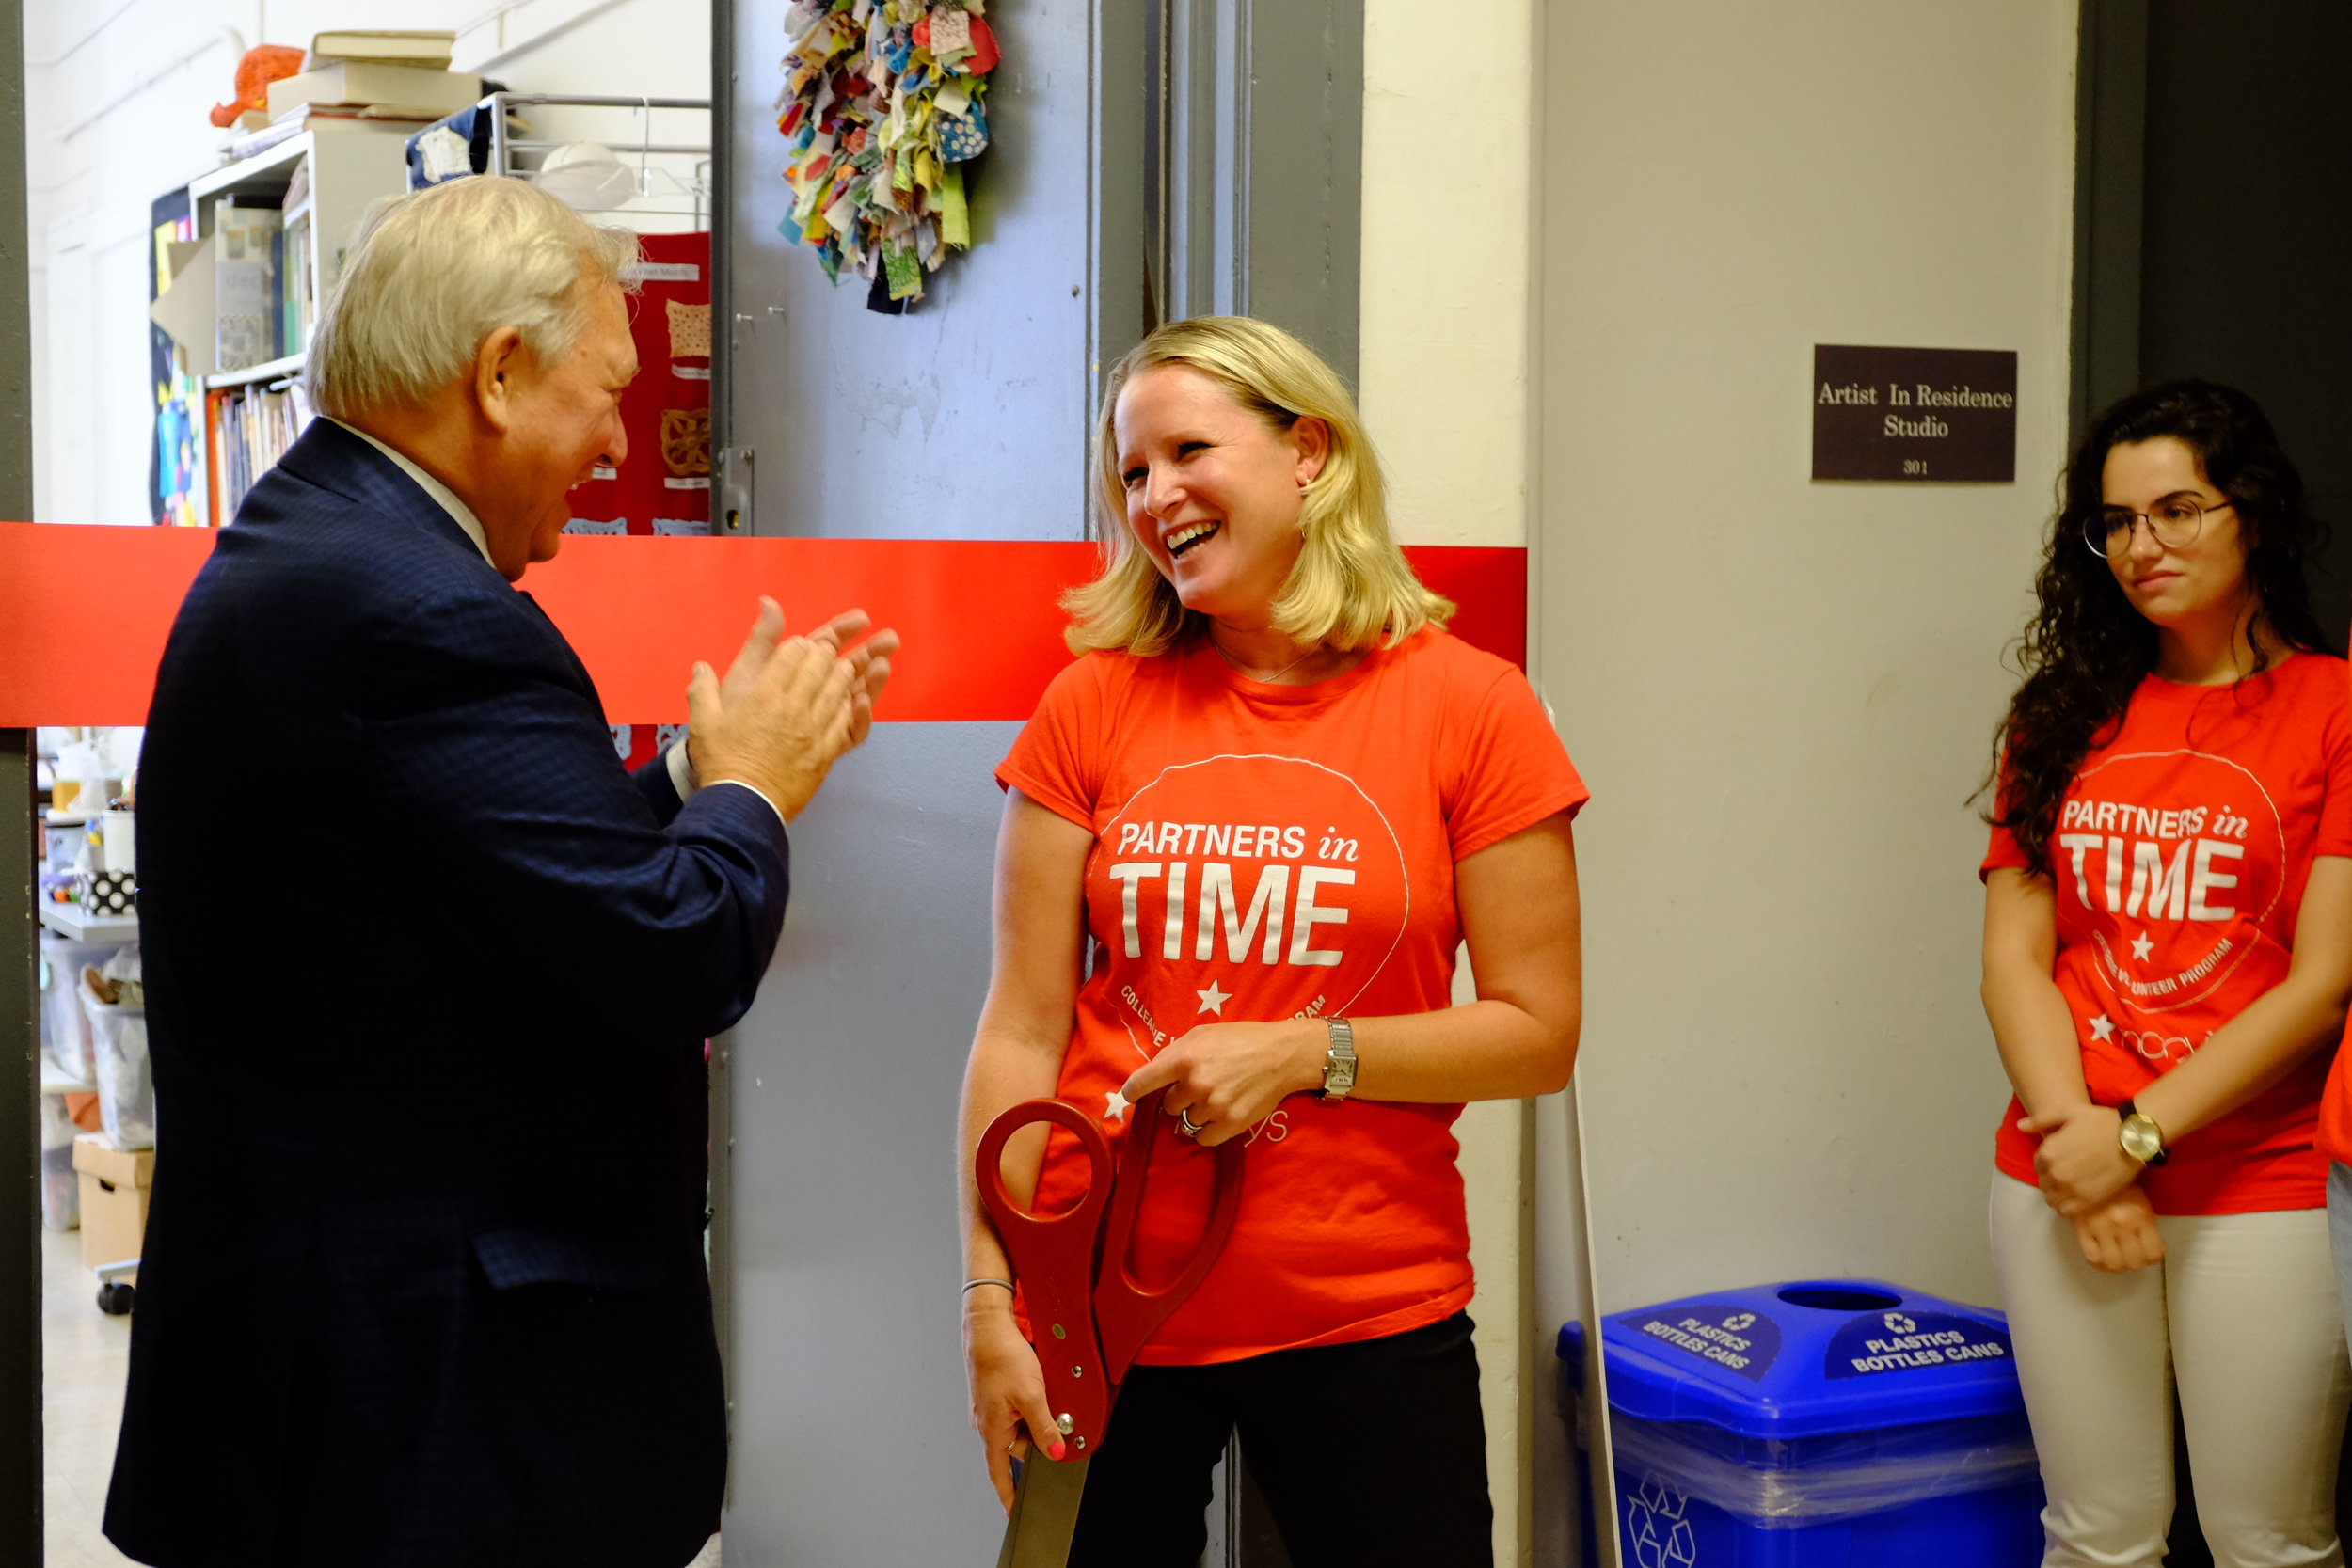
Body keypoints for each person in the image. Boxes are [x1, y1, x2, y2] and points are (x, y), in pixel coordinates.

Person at [103, 176, 896, 1568]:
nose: (618, 439)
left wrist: (675, 781)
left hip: (340, 1368)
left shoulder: (324, 548)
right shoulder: (421, 612)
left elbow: (474, 876)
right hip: (426, 1401)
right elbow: (672, 951)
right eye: (607, 391)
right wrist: (752, 787)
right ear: (499, 373)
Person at [956, 316, 1585, 1567]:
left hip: (1367, 1309)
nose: (1156, 497)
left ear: (1308, 453)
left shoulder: (1473, 706)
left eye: (1189, 449)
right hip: (1096, 1304)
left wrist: (1306, 1051)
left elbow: (1537, 1032)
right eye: (1132, 473)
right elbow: (1022, 1026)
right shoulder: (1089, 704)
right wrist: (990, 1296)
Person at [1979, 380, 2352, 1566]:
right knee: (2097, 1533)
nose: (2144, 545)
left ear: (2251, 512)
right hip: (2057, 1163)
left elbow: (2322, 976)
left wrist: (2132, 1137)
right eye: (2118, 521)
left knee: (2266, 1540)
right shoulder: (2059, 714)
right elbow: (2013, 957)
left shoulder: (2334, 707)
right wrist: (2077, 1145)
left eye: (2178, 509)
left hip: (2263, 1184)